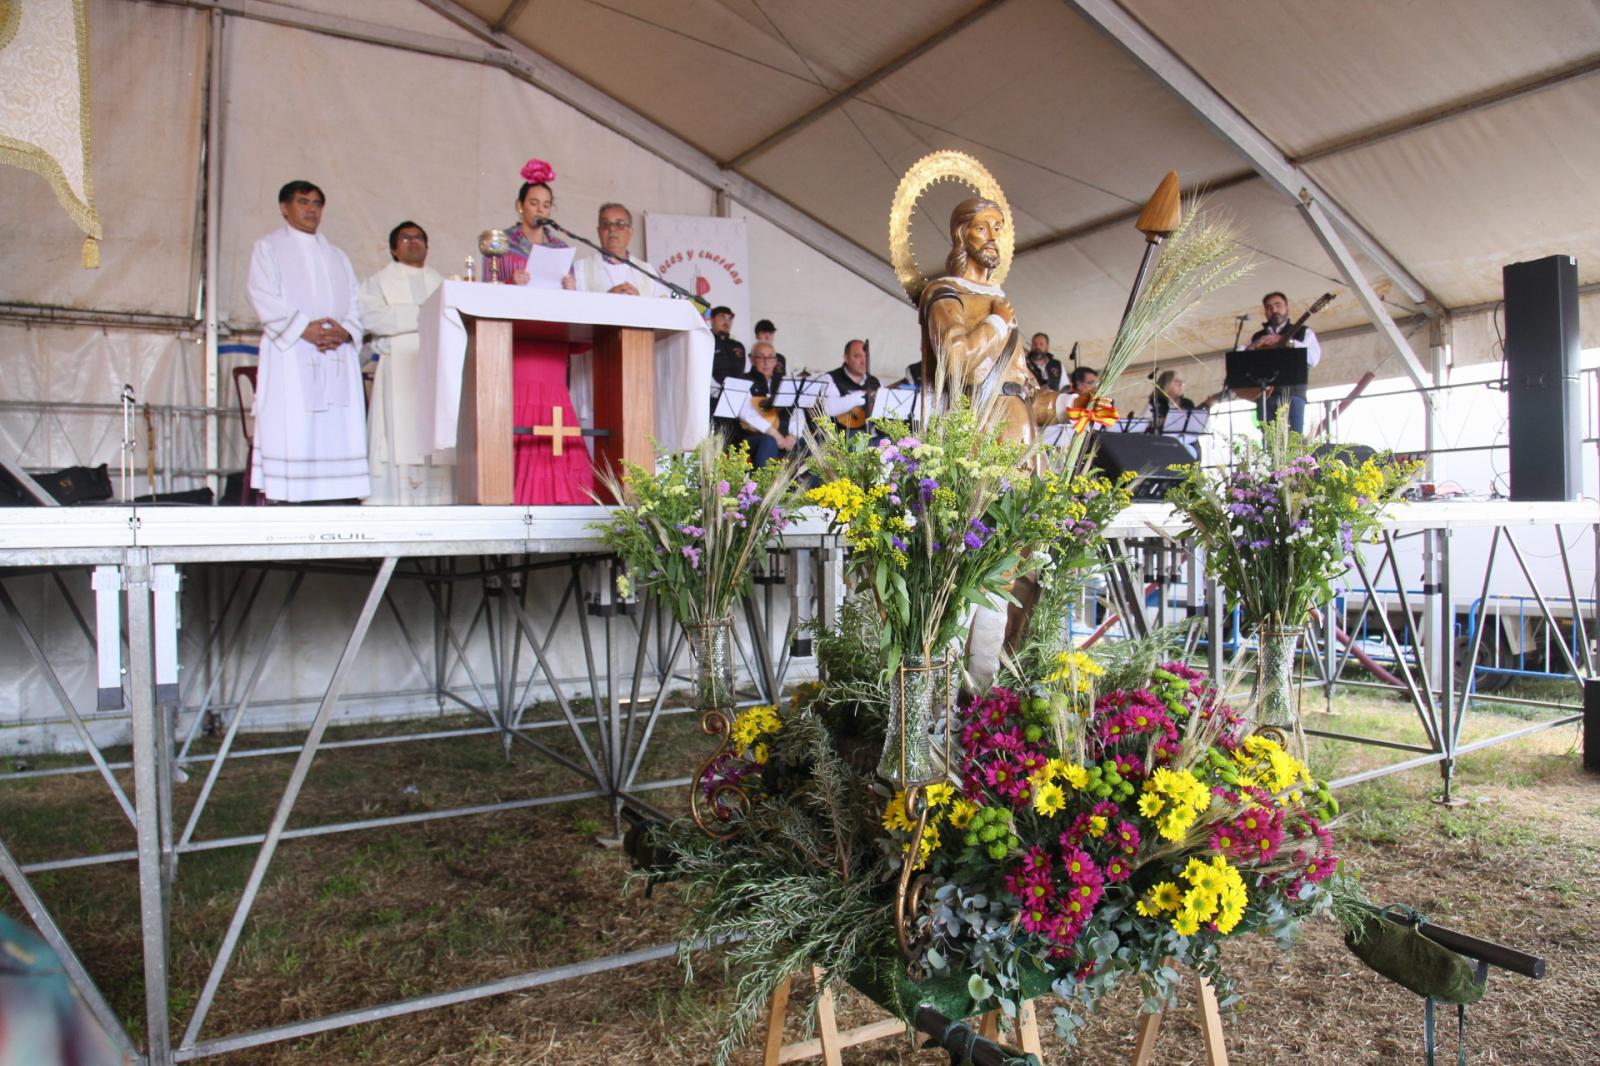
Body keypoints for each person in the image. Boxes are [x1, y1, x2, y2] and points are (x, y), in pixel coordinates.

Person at [246, 180, 369, 503]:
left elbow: (355, 302)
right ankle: (291, 496)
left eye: (316, 203)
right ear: (284, 208)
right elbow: (263, 295)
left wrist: (346, 331)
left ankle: (338, 497)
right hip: (293, 352)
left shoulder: (338, 256)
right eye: (303, 202)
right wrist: (304, 328)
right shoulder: (269, 247)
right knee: (296, 427)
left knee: (336, 429)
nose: (311, 209)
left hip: (335, 354)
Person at [360, 221, 450, 504]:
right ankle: (393, 503)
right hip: (396, 367)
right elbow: (370, 317)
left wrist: (403, 315)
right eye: (406, 238)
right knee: (395, 437)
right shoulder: (377, 281)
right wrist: (421, 314)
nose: (413, 242)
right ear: (393, 249)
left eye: (419, 237)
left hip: (435, 367)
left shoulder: (442, 283)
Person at [1239, 290, 1321, 432]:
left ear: (1287, 307)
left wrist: (1289, 342)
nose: (1274, 310)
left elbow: (1313, 358)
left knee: (1293, 443)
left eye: (1278, 305)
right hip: (1265, 397)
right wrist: (1254, 345)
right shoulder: (1257, 336)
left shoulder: (1303, 332)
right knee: (1270, 445)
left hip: (1292, 396)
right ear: (1265, 312)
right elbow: (1240, 360)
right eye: (1269, 307)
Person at [493, 161, 576, 289]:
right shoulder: (502, 242)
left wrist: (572, 288)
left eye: (546, 205)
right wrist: (510, 282)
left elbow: (572, 301)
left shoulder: (560, 248)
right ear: (520, 205)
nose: (540, 210)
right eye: (533, 203)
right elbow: (486, 289)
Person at [574, 203, 662, 297]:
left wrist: (640, 302)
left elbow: (663, 306)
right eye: (606, 224)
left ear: (630, 232)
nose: (612, 228)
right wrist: (607, 299)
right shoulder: (580, 268)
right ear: (599, 231)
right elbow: (573, 307)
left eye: (620, 224)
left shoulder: (648, 271)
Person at [737, 342, 797, 468]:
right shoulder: (742, 381)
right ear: (752, 359)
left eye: (770, 358)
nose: (766, 362)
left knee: (811, 443)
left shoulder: (784, 383)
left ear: (775, 361)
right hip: (754, 438)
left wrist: (793, 436)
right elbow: (747, 414)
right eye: (761, 357)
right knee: (769, 442)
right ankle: (765, 486)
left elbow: (797, 412)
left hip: (785, 437)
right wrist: (776, 436)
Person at [818, 339, 881, 433]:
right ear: (846, 358)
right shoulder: (830, 378)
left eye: (866, 356)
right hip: (838, 437)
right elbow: (829, 408)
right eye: (857, 356)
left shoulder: (874, 381)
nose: (864, 361)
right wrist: (862, 395)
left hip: (870, 435)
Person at [709, 305, 747, 383]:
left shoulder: (738, 346)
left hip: (736, 391)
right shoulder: (705, 341)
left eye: (730, 319)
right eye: (722, 317)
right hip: (709, 391)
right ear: (712, 320)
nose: (726, 323)